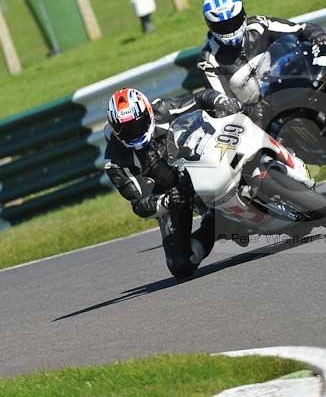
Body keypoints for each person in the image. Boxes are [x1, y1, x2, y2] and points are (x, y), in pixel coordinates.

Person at [103, 87, 242, 277]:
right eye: (126, 129)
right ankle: (215, 223)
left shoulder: (164, 110)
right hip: (171, 197)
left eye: (137, 123)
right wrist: (166, 201)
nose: (134, 131)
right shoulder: (116, 161)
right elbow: (139, 205)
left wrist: (221, 101)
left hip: (198, 164)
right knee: (180, 264)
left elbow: (200, 97)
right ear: (115, 128)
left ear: (148, 113)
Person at [197, 0, 326, 109]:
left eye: (233, 22)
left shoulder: (260, 25)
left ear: (243, 14)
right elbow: (222, 100)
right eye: (223, 26)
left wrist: (316, 34)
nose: (230, 30)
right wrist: (239, 110)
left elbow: (299, 29)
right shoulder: (209, 60)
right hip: (261, 115)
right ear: (211, 26)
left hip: (289, 87)